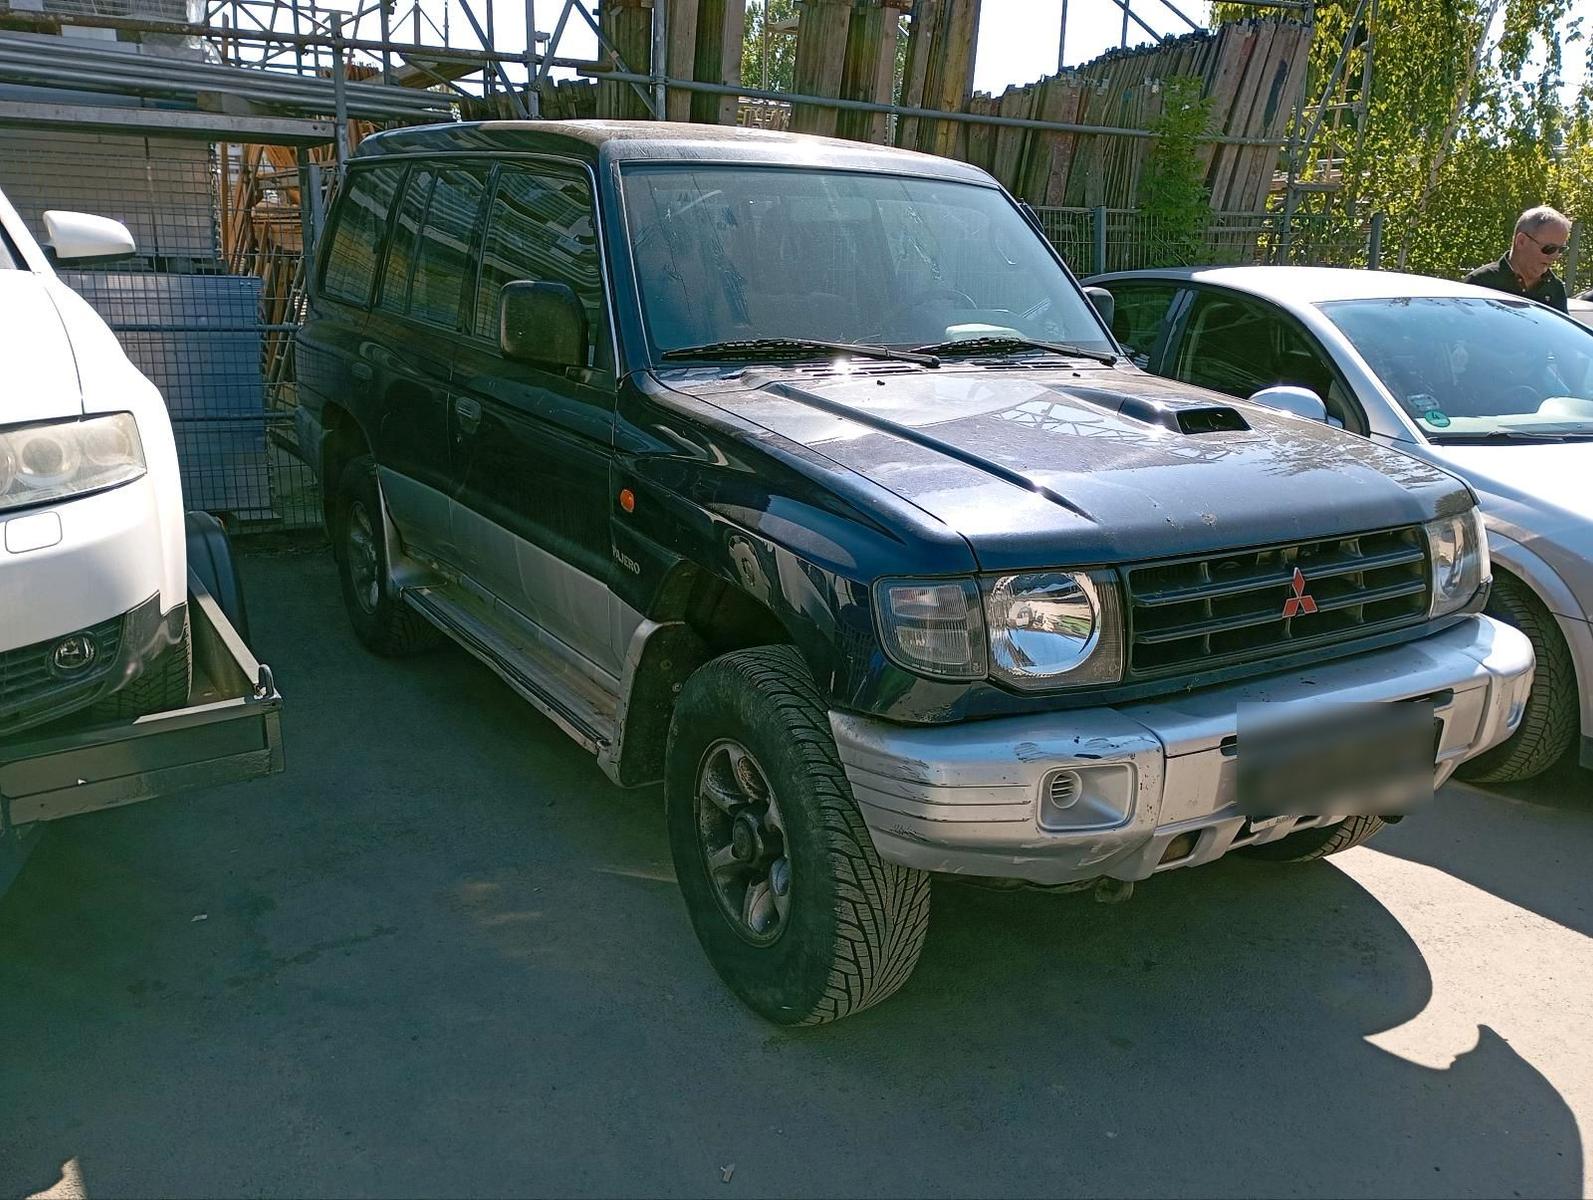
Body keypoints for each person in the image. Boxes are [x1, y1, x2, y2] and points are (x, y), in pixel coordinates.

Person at [1463, 206, 1572, 313]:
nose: (1555, 256)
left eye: (1561, 250)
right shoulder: (1481, 282)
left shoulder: (1555, 288)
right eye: (1549, 248)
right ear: (1521, 241)